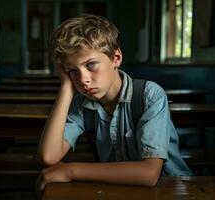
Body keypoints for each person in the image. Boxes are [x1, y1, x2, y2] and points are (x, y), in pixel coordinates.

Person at [37, 14, 192, 191]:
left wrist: (70, 170)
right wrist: (65, 87)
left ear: (116, 58)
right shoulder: (81, 103)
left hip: (172, 188)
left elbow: (149, 174)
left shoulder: (149, 95)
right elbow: (48, 157)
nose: (83, 79)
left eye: (90, 65)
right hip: (119, 188)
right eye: (72, 71)